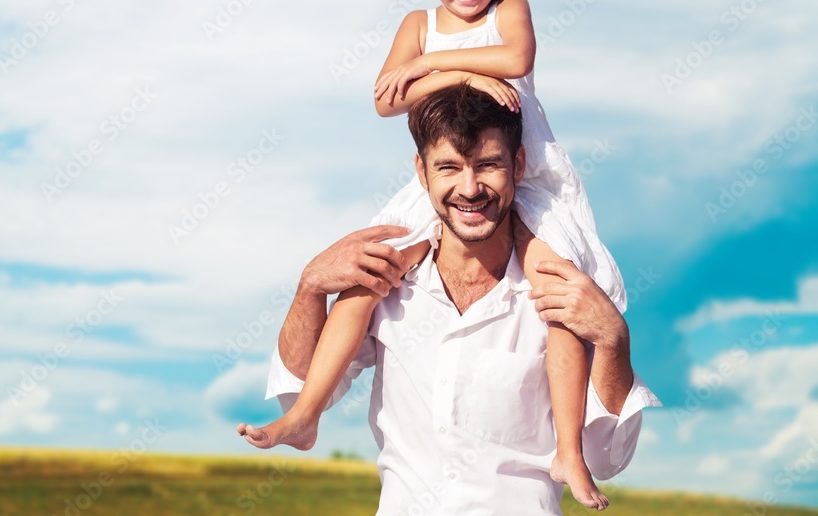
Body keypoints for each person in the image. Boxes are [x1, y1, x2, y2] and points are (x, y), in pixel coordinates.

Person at [238, 0, 627, 509]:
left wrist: (442, 69)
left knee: (556, 289)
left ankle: (569, 451)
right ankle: (306, 412)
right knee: (369, 278)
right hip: (465, 174)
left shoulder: (509, 12)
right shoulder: (418, 25)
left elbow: (517, 58)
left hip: (530, 183)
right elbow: (386, 97)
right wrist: (454, 69)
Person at [255, 85, 661, 515]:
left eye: (488, 165)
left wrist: (614, 339)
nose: (469, 189)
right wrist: (310, 288)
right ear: (421, 172)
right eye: (448, 167)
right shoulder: (387, 286)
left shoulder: (560, 290)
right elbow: (296, 393)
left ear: (519, 165)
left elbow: (606, 458)